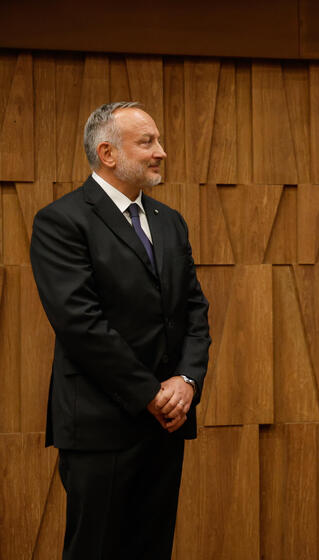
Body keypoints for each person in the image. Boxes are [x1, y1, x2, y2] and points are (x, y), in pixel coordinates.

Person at [29, 102, 211, 560]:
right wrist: (151, 393)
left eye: (158, 141)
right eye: (147, 142)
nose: (161, 152)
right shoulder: (62, 221)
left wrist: (186, 382)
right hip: (100, 426)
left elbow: (193, 310)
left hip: (167, 422)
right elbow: (81, 325)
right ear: (107, 153)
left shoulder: (170, 221)